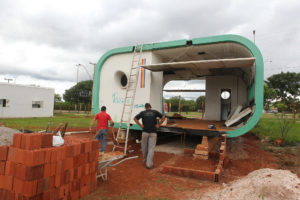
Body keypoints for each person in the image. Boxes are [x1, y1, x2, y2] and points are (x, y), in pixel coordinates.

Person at [134, 103, 165, 169]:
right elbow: (163, 117)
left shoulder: (142, 113)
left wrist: (140, 125)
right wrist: (159, 125)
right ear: (150, 107)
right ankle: (149, 164)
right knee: (151, 148)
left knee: (144, 147)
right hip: (153, 133)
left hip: (145, 132)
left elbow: (135, 118)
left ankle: (145, 159)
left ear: (145, 107)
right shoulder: (155, 112)